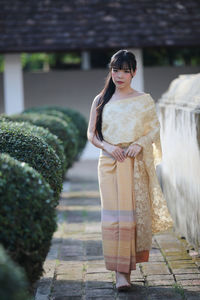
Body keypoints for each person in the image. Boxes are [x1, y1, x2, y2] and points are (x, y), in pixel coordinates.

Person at [87, 49, 173, 291]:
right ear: (111, 71)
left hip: (133, 165)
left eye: (125, 70)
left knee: (129, 218)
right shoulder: (101, 99)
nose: (120, 75)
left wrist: (139, 144)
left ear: (134, 72)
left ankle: (126, 274)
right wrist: (108, 146)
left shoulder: (143, 100)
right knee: (113, 218)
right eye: (116, 70)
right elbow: (91, 134)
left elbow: (154, 130)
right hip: (109, 163)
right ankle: (118, 274)